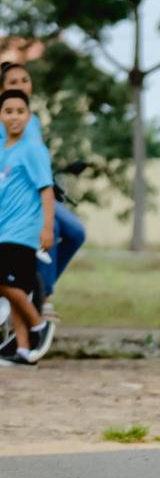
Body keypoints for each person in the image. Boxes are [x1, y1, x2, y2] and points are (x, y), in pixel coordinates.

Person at [0, 61, 87, 310]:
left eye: (24, 81)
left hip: (39, 189)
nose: (20, 86)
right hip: (16, 193)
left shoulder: (33, 120)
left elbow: (36, 157)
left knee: (75, 233)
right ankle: (43, 299)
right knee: (53, 227)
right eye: (13, 82)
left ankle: (40, 287)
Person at [0, 88, 56, 368]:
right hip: (3, 229)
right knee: (17, 288)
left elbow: (47, 190)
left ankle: (39, 325)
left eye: (20, 111)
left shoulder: (33, 149)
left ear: (29, 116)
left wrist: (47, 228)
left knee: (5, 284)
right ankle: (23, 350)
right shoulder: (3, 150)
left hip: (22, 232)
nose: (14, 117)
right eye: (8, 111)